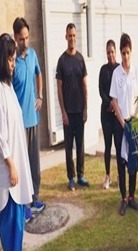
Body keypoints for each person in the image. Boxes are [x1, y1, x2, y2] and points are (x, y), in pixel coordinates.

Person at [0, 33, 34, 251]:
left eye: (15, 59)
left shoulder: (7, 87)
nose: (14, 64)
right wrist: (11, 163)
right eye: (11, 60)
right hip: (8, 165)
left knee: (18, 213)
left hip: (16, 160)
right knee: (9, 217)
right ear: (2, 60)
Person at [12, 17, 45, 215]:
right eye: (21, 39)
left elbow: (38, 74)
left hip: (33, 119)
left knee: (34, 164)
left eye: (26, 37)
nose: (25, 42)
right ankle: (23, 205)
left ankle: (34, 199)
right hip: (19, 124)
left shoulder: (32, 55)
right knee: (21, 166)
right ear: (15, 38)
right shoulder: (12, 60)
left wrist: (39, 95)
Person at [110, 33, 138, 216]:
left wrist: (136, 117)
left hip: (134, 121)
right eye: (123, 53)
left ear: (131, 51)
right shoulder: (116, 73)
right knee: (121, 162)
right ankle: (123, 198)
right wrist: (123, 123)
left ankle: (132, 196)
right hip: (120, 123)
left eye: (128, 52)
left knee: (133, 159)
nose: (125, 56)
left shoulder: (136, 71)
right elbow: (113, 100)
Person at [56, 23, 89, 191]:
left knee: (80, 144)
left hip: (79, 110)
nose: (72, 38)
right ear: (66, 37)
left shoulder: (81, 59)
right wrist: (63, 112)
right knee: (68, 146)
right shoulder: (61, 61)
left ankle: (81, 175)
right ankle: (71, 177)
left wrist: (85, 108)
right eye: (70, 35)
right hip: (68, 112)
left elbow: (85, 86)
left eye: (74, 35)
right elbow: (59, 87)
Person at [98, 39, 119, 189]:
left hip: (117, 114)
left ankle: (119, 175)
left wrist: (115, 104)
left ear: (115, 52)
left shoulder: (119, 69)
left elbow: (121, 89)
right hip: (106, 113)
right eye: (108, 52)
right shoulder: (103, 70)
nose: (110, 55)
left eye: (112, 52)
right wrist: (109, 103)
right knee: (107, 146)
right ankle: (107, 176)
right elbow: (101, 90)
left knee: (118, 146)